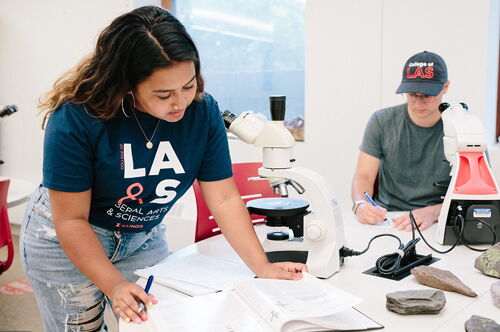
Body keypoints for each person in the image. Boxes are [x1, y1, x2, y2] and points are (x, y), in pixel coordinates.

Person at [20, 6, 306, 331]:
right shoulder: (77, 117)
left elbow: (224, 200)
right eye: (163, 94)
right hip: (65, 240)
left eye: (188, 85)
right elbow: (71, 219)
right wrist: (113, 285)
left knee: (157, 323)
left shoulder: (202, 110)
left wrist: (262, 266)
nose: (180, 102)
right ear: (126, 84)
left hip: (141, 238)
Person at [351, 51, 451, 232]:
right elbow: (363, 176)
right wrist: (361, 205)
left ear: (445, 87)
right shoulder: (381, 121)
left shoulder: (464, 127)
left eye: (427, 95)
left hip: (440, 220)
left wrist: (435, 212)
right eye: (412, 94)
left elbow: (477, 195)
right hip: (388, 219)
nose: (418, 103)